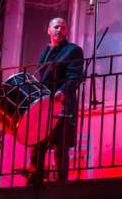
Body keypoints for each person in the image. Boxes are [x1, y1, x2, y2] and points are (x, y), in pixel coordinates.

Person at [29, 17, 84, 184]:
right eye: (56, 27)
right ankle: (35, 179)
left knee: (60, 144)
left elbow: (75, 76)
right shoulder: (45, 53)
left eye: (63, 27)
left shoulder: (73, 50)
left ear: (66, 31)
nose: (59, 30)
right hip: (45, 104)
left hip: (63, 104)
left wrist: (63, 92)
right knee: (38, 141)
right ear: (49, 30)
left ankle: (61, 182)